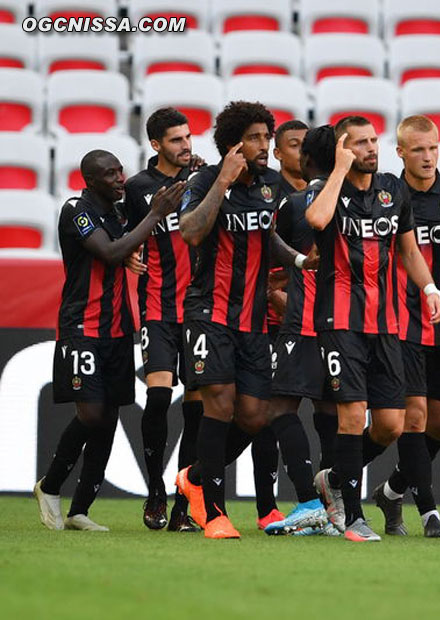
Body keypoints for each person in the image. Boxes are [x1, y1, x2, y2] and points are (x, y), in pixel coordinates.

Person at [174, 101, 325, 539]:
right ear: (234, 142)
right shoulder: (203, 180)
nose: (265, 145)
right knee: (218, 403)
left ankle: (197, 478)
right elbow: (191, 232)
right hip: (210, 312)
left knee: (256, 415)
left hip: (253, 320)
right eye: (257, 137)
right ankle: (215, 513)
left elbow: (266, 234)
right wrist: (222, 179)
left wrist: (299, 260)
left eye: (266, 136)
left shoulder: (271, 184)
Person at [305, 115, 440, 542]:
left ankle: (333, 478)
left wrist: (430, 288)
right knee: (351, 415)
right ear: (343, 149)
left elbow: (407, 247)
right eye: (360, 143)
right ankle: (351, 517)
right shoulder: (325, 187)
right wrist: (339, 170)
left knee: (390, 424)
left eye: (373, 141)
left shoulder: (392, 189)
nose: (371, 149)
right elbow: (315, 220)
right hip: (339, 321)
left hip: (386, 324)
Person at [34, 150, 183, 531]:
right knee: (92, 414)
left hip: (119, 329)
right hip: (82, 327)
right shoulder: (76, 210)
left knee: (108, 421)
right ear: (90, 179)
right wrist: (153, 216)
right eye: (110, 174)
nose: (120, 178)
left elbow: (132, 247)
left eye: (121, 171)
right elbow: (111, 251)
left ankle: (79, 511)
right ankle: (50, 485)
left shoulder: (120, 215)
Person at [370, 115, 440, 538]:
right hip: (400, 326)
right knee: (413, 418)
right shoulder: (386, 195)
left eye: (433, 148)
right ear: (400, 152)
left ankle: (392, 488)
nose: (428, 157)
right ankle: (429, 513)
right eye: (418, 149)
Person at [123, 107, 204, 533]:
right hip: (158, 308)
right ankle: (154, 490)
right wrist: (131, 257)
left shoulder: (203, 180)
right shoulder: (138, 188)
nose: (185, 145)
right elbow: (124, 239)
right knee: (157, 398)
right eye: (175, 139)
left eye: (188, 137)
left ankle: (181, 505)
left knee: (197, 411)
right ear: (156, 145)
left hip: (200, 312)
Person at [261, 125, 342, 537]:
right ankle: (336, 511)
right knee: (331, 414)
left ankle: (309, 504)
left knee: (280, 409)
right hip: (345, 324)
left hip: (303, 320)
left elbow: (269, 255)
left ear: (306, 160)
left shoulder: (294, 204)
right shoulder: (356, 198)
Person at [251, 119, 311, 531]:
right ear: (278, 153)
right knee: (268, 414)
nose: (301, 153)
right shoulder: (271, 195)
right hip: (269, 318)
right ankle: (265, 505)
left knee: (320, 414)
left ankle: (319, 501)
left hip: (309, 317)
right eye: (293, 145)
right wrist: (271, 295)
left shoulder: (323, 196)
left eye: (307, 145)